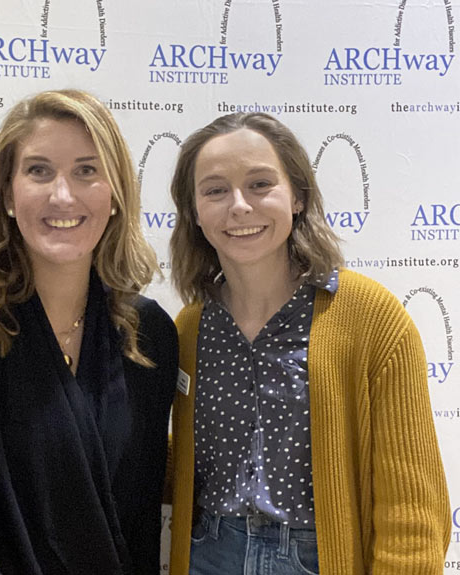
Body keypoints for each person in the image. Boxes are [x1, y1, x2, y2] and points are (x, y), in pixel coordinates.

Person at [0, 89, 178, 575]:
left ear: (115, 194)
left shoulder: (148, 333)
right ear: (8, 194)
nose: (62, 195)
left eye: (86, 171)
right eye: (39, 170)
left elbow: (138, 521)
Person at [165, 112, 450, 575]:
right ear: (195, 212)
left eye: (260, 184)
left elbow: (411, 506)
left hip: (318, 559)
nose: (239, 205)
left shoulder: (369, 318)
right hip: (208, 554)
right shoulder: (189, 329)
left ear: (297, 197)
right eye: (215, 190)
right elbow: (188, 468)